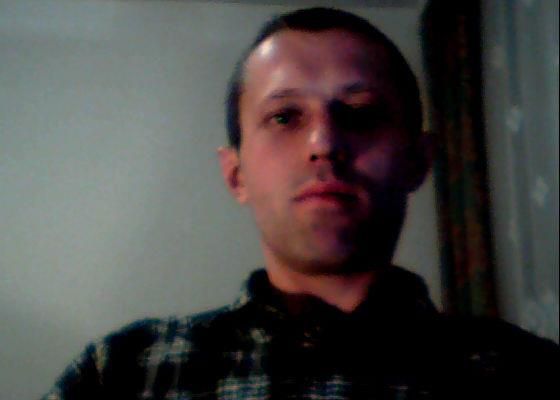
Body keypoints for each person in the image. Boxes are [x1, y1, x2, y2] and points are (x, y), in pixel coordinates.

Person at [42, 7, 557, 400]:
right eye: (285, 117)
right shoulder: (122, 374)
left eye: (361, 111)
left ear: (418, 161)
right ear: (236, 174)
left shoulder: (529, 373)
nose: (324, 143)